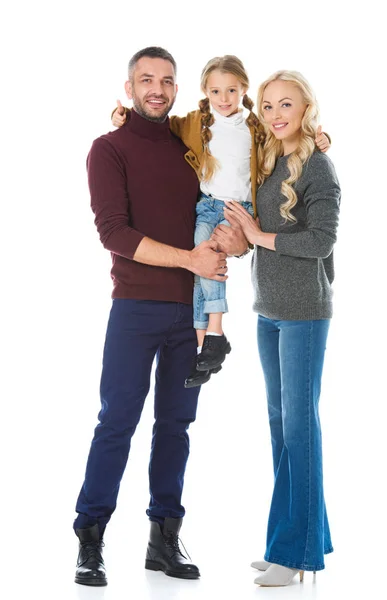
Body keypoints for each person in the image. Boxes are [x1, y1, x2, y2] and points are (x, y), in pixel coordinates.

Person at [73, 46, 248, 587]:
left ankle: (163, 540)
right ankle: (91, 538)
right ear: (129, 89)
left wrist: (232, 244)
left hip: (191, 310)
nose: (157, 88)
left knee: (176, 426)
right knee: (116, 423)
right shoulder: (108, 148)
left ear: (177, 90)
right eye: (146, 79)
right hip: (135, 307)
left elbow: (226, 212)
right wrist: (189, 258)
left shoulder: (192, 143)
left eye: (167, 80)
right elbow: (114, 233)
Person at [111, 56, 331, 388]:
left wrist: (320, 137)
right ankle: (207, 339)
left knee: (209, 263)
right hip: (208, 207)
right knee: (201, 264)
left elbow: (287, 142)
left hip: (239, 209)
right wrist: (123, 117)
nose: (224, 98)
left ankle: (212, 334)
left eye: (231, 90)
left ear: (244, 89)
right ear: (205, 92)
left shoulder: (257, 126)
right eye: (215, 91)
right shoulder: (195, 122)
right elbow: (158, 124)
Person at [223, 70, 340, 587]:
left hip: (304, 313)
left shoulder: (320, 167)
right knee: (281, 427)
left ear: (305, 107)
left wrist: (256, 233)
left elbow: (319, 243)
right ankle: (291, 540)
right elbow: (260, 238)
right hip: (267, 310)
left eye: (285, 104)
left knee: (299, 428)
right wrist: (239, 238)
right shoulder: (267, 161)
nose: (274, 115)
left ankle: (296, 555)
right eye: (267, 106)